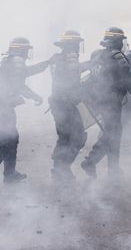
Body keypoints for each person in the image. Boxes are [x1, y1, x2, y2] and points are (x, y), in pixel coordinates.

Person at [0, 37, 51, 186]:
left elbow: (25, 73)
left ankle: (10, 173)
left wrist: (46, 64)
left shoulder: (9, 61)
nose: (26, 53)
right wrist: (35, 96)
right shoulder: (17, 61)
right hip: (2, 105)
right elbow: (20, 85)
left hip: (0, 103)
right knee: (7, 140)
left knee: (11, 139)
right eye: (26, 50)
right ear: (22, 50)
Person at [80, 27, 131, 178]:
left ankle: (113, 168)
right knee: (112, 134)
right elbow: (128, 81)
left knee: (113, 133)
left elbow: (90, 75)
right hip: (111, 101)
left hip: (98, 99)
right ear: (117, 41)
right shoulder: (118, 57)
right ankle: (91, 161)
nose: (123, 43)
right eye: (121, 40)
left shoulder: (97, 54)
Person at [49, 31, 89, 181]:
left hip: (57, 102)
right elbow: (73, 77)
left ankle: (57, 168)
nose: (78, 47)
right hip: (66, 104)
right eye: (77, 43)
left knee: (64, 137)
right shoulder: (70, 57)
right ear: (72, 44)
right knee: (79, 136)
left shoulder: (58, 58)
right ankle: (63, 168)